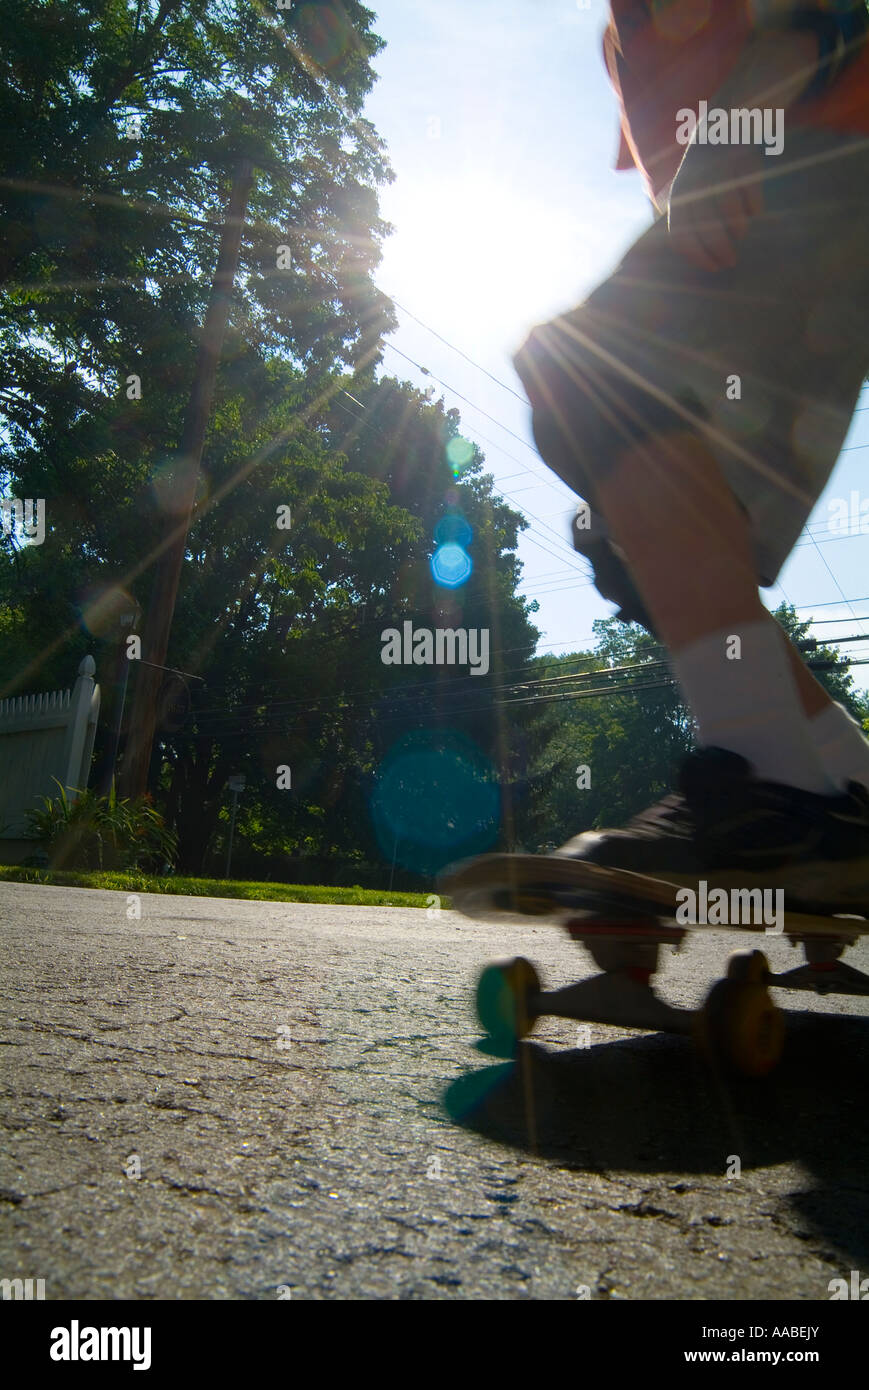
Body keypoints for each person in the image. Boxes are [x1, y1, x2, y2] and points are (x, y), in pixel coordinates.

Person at [512, 0, 869, 910]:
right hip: (792, 228)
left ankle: (770, 787)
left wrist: (730, 136)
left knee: (580, 371)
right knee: (633, 545)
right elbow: (657, 162)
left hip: (829, 172)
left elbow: (815, 25)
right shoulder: (617, 43)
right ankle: (846, 799)